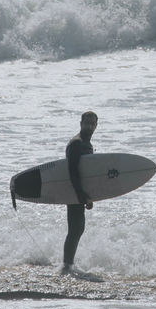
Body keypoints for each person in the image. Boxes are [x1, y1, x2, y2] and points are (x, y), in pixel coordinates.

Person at [61, 111, 98, 275]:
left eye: (92, 123)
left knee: (78, 228)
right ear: (80, 123)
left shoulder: (86, 143)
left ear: (96, 125)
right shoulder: (77, 143)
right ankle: (66, 266)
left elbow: (86, 173)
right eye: (86, 123)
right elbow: (72, 172)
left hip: (79, 190)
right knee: (75, 228)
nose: (89, 126)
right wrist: (80, 194)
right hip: (74, 189)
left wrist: (88, 194)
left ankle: (68, 264)